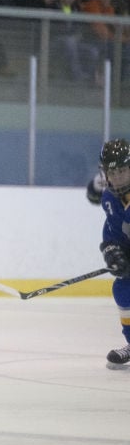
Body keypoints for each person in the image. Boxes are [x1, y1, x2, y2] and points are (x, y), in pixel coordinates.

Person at [97, 138, 130, 368]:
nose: (116, 177)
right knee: (122, 288)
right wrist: (111, 250)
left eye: (122, 171)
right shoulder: (109, 197)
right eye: (112, 171)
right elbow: (112, 229)